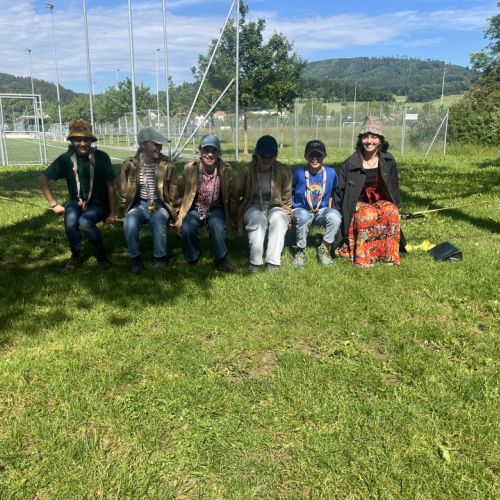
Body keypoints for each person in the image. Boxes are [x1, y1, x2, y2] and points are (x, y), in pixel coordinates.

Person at [39, 119, 116, 269]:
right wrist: (54, 204)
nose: (82, 144)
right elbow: (42, 179)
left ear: (91, 140)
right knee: (70, 219)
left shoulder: (102, 157)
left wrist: (112, 213)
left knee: (85, 221)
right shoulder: (65, 159)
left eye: (86, 139)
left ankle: (101, 255)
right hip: (76, 202)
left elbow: (111, 186)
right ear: (71, 141)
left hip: (99, 204)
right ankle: (76, 254)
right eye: (77, 140)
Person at [333, 116, 406, 268]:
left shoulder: (389, 161)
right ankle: (363, 258)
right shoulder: (349, 164)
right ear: (361, 139)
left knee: (391, 210)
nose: (369, 141)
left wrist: (397, 207)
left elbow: (394, 188)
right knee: (367, 213)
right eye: (366, 137)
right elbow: (340, 193)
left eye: (374, 137)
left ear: (380, 140)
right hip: (358, 204)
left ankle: (388, 255)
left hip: (379, 201)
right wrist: (337, 220)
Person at [120, 127, 178, 274]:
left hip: (160, 204)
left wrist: (174, 214)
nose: (159, 147)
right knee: (130, 221)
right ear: (143, 145)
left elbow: (174, 192)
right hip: (139, 204)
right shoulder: (129, 165)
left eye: (160, 144)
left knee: (157, 219)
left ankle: (160, 258)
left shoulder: (168, 165)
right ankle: (135, 259)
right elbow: (124, 193)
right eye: (155, 144)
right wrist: (125, 211)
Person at [232, 135, 292, 272]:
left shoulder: (284, 172)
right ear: (257, 155)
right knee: (258, 219)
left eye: (270, 156)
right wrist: (235, 218)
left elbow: (286, 199)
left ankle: (273, 261)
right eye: (263, 156)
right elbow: (234, 195)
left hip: (274, 205)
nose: (266, 159)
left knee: (280, 219)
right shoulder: (246, 171)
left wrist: (287, 216)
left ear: (275, 156)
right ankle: (255, 261)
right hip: (252, 205)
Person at [176, 134, 233, 272]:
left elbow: (232, 194)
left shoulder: (226, 170)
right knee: (187, 227)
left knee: (217, 225)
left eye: (214, 151)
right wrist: (178, 213)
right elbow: (182, 191)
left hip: (215, 208)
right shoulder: (190, 168)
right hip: (195, 208)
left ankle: (221, 257)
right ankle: (193, 255)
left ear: (219, 153)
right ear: (199, 151)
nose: (210, 154)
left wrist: (233, 214)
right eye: (206, 150)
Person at [291, 140, 342, 267]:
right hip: (301, 209)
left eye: (318, 155)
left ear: (324, 156)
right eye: (311, 155)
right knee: (304, 217)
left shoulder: (331, 173)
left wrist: (330, 208)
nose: (315, 158)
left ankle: (324, 247)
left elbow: (333, 192)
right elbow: (288, 192)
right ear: (305, 157)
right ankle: (300, 250)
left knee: (335, 216)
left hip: (321, 210)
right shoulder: (298, 173)